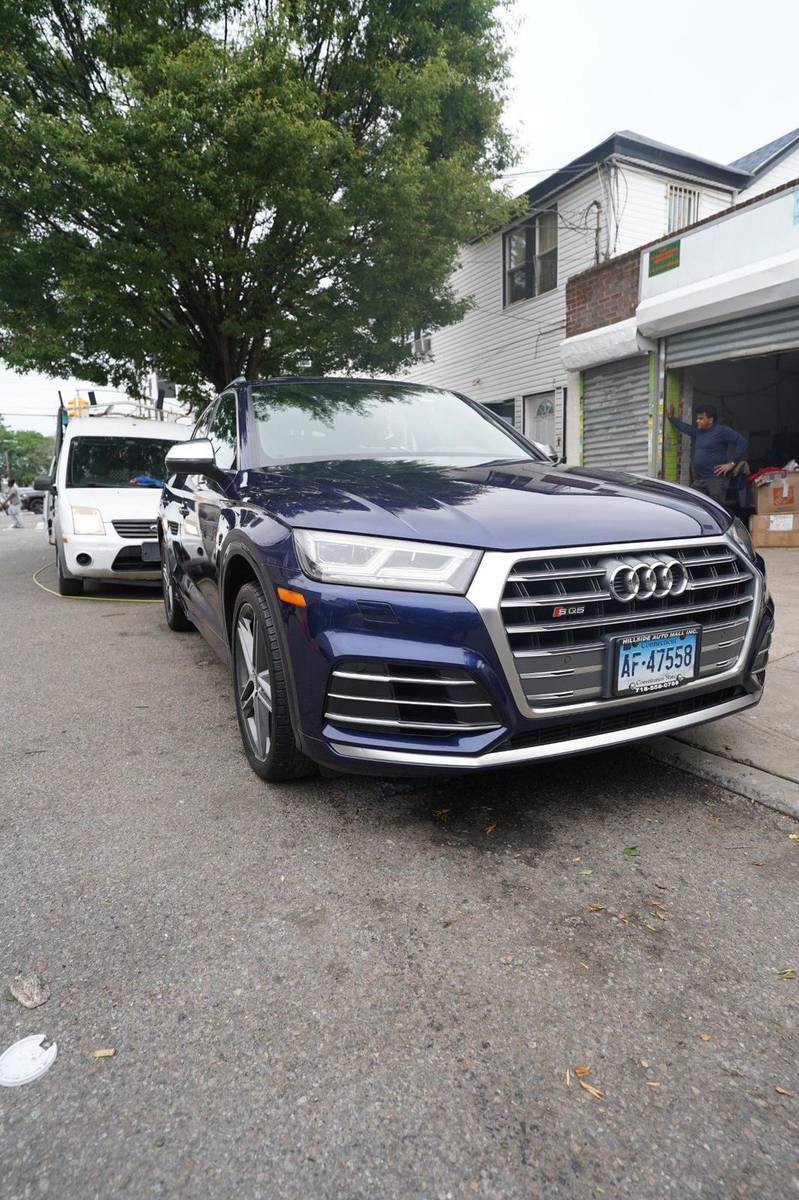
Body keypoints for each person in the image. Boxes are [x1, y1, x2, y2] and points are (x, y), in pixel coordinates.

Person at [667, 403, 747, 506]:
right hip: (699, 480)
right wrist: (671, 418)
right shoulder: (699, 432)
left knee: (716, 508)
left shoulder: (721, 431)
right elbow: (685, 428)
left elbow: (742, 442)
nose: (697, 421)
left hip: (715, 481)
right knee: (693, 505)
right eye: (697, 418)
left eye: (701, 418)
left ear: (710, 420)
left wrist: (732, 463)